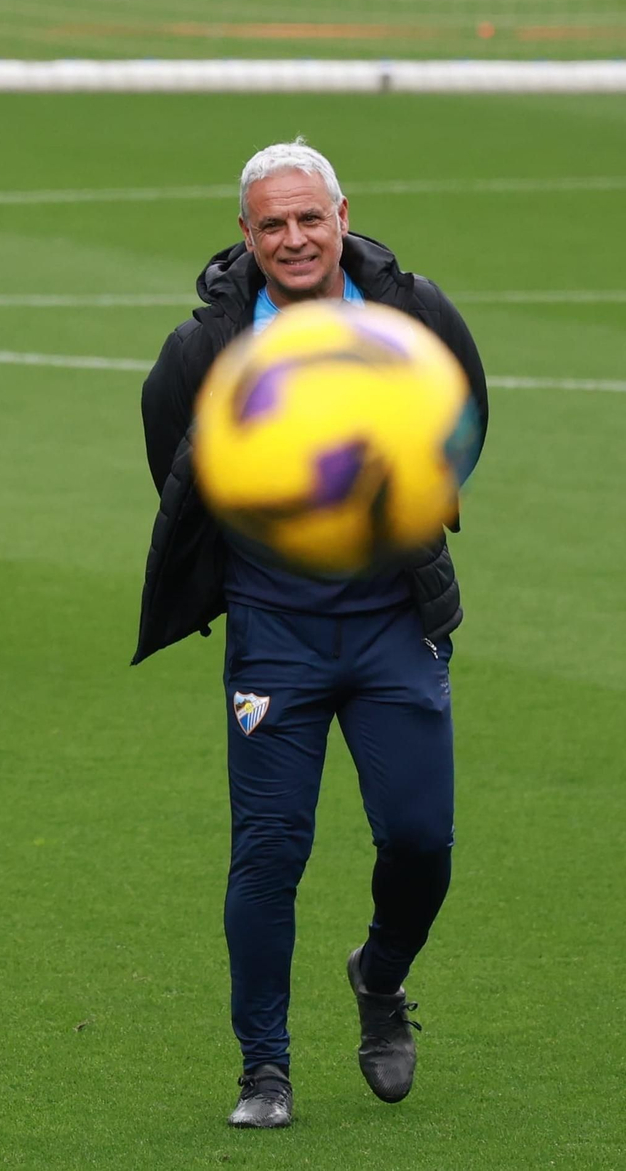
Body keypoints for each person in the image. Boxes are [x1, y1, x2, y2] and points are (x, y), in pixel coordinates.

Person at [133, 139, 489, 1126]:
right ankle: (265, 1070)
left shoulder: (409, 315)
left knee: (420, 840)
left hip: (392, 624)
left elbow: (466, 415)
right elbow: (174, 459)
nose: (293, 237)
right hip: (273, 634)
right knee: (267, 851)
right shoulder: (205, 350)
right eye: (271, 223)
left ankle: (379, 974)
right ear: (246, 235)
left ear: (340, 218)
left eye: (308, 217)